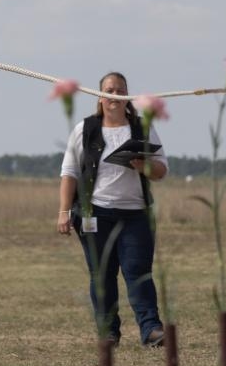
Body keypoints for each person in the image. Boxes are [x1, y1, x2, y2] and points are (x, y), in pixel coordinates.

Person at [57, 71, 168, 348]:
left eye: (120, 91)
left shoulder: (143, 127)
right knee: (102, 275)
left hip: (136, 214)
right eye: (110, 90)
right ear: (100, 96)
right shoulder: (85, 129)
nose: (115, 95)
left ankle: (151, 329)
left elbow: (161, 169)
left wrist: (144, 166)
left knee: (138, 271)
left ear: (128, 96)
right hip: (95, 213)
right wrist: (63, 212)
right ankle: (108, 332)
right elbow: (69, 172)